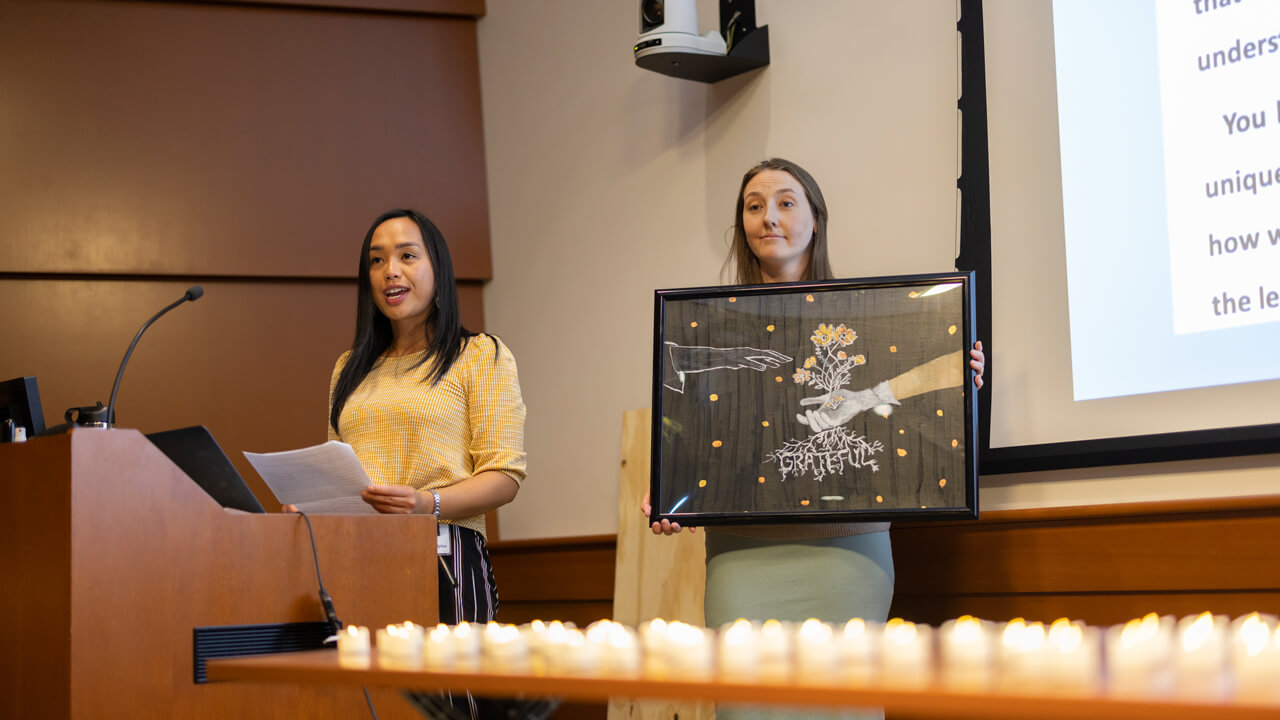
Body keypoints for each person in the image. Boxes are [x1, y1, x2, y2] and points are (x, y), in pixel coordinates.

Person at [642, 159, 985, 720]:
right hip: (743, 558)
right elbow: (692, 435)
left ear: (816, 219)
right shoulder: (708, 324)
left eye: (784, 202)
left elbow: (929, 386)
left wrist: (959, 378)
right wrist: (668, 488)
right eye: (754, 206)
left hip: (849, 554)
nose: (768, 217)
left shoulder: (876, 315)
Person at [321, 208, 527, 718]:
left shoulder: (479, 354)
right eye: (376, 260)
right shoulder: (349, 368)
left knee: (448, 705)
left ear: (438, 270)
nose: (390, 271)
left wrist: (425, 503)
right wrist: (313, 505)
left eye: (407, 256)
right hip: (354, 559)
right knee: (366, 705)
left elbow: (505, 476)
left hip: (444, 554)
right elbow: (336, 464)